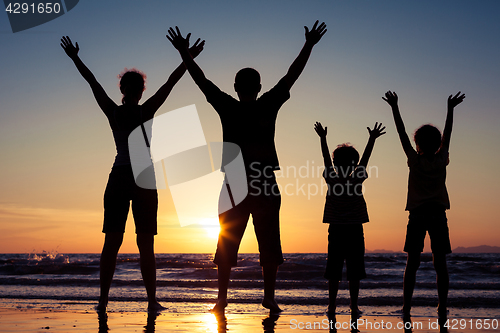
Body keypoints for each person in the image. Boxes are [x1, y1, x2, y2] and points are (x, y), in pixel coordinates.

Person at [166, 21, 327, 313]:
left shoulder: (232, 105)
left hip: (239, 183)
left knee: (238, 242)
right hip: (256, 182)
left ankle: (225, 298)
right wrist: (309, 45)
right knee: (261, 243)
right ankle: (261, 297)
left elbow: (202, 81)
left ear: (237, 87)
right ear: (257, 87)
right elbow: (291, 76)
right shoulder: (262, 104)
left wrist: (185, 54)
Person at [60, 35, 204, 312]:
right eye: (131, 86)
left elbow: (169, 83)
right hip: (132, 179)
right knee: (126, 242)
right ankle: (119, 301)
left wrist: (188, 56)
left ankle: (132, 301)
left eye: (135, 86)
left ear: (132, 90)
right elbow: (95, 83)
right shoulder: (131, 111)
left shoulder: (131, 111)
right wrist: (188, 57)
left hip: (133, 179)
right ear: (129, 90)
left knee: (130, 242)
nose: (133, 90)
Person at [382, 90, 465, 321]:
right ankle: (441, 305)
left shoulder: (414, 160)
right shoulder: (441, 159)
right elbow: (448, 134)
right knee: (440, 263)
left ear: (417, 143)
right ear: (438, 143)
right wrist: (450, 110)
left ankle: (406, 306)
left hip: (417, 215)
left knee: (412, 264)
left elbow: (400, 133)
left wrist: (394, 107)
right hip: (438, 215)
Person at [314, 121, 385, 318]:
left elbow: (326, 159)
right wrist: (371, 139)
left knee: (334, 270)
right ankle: (353, 306)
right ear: (353, 164)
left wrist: (323, 138)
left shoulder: (332, 176)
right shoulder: (357, 176)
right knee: (354, 270)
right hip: (354, 229)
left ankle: (332, 306)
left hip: (336, 229)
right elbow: (365, 159)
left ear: (336, 163)